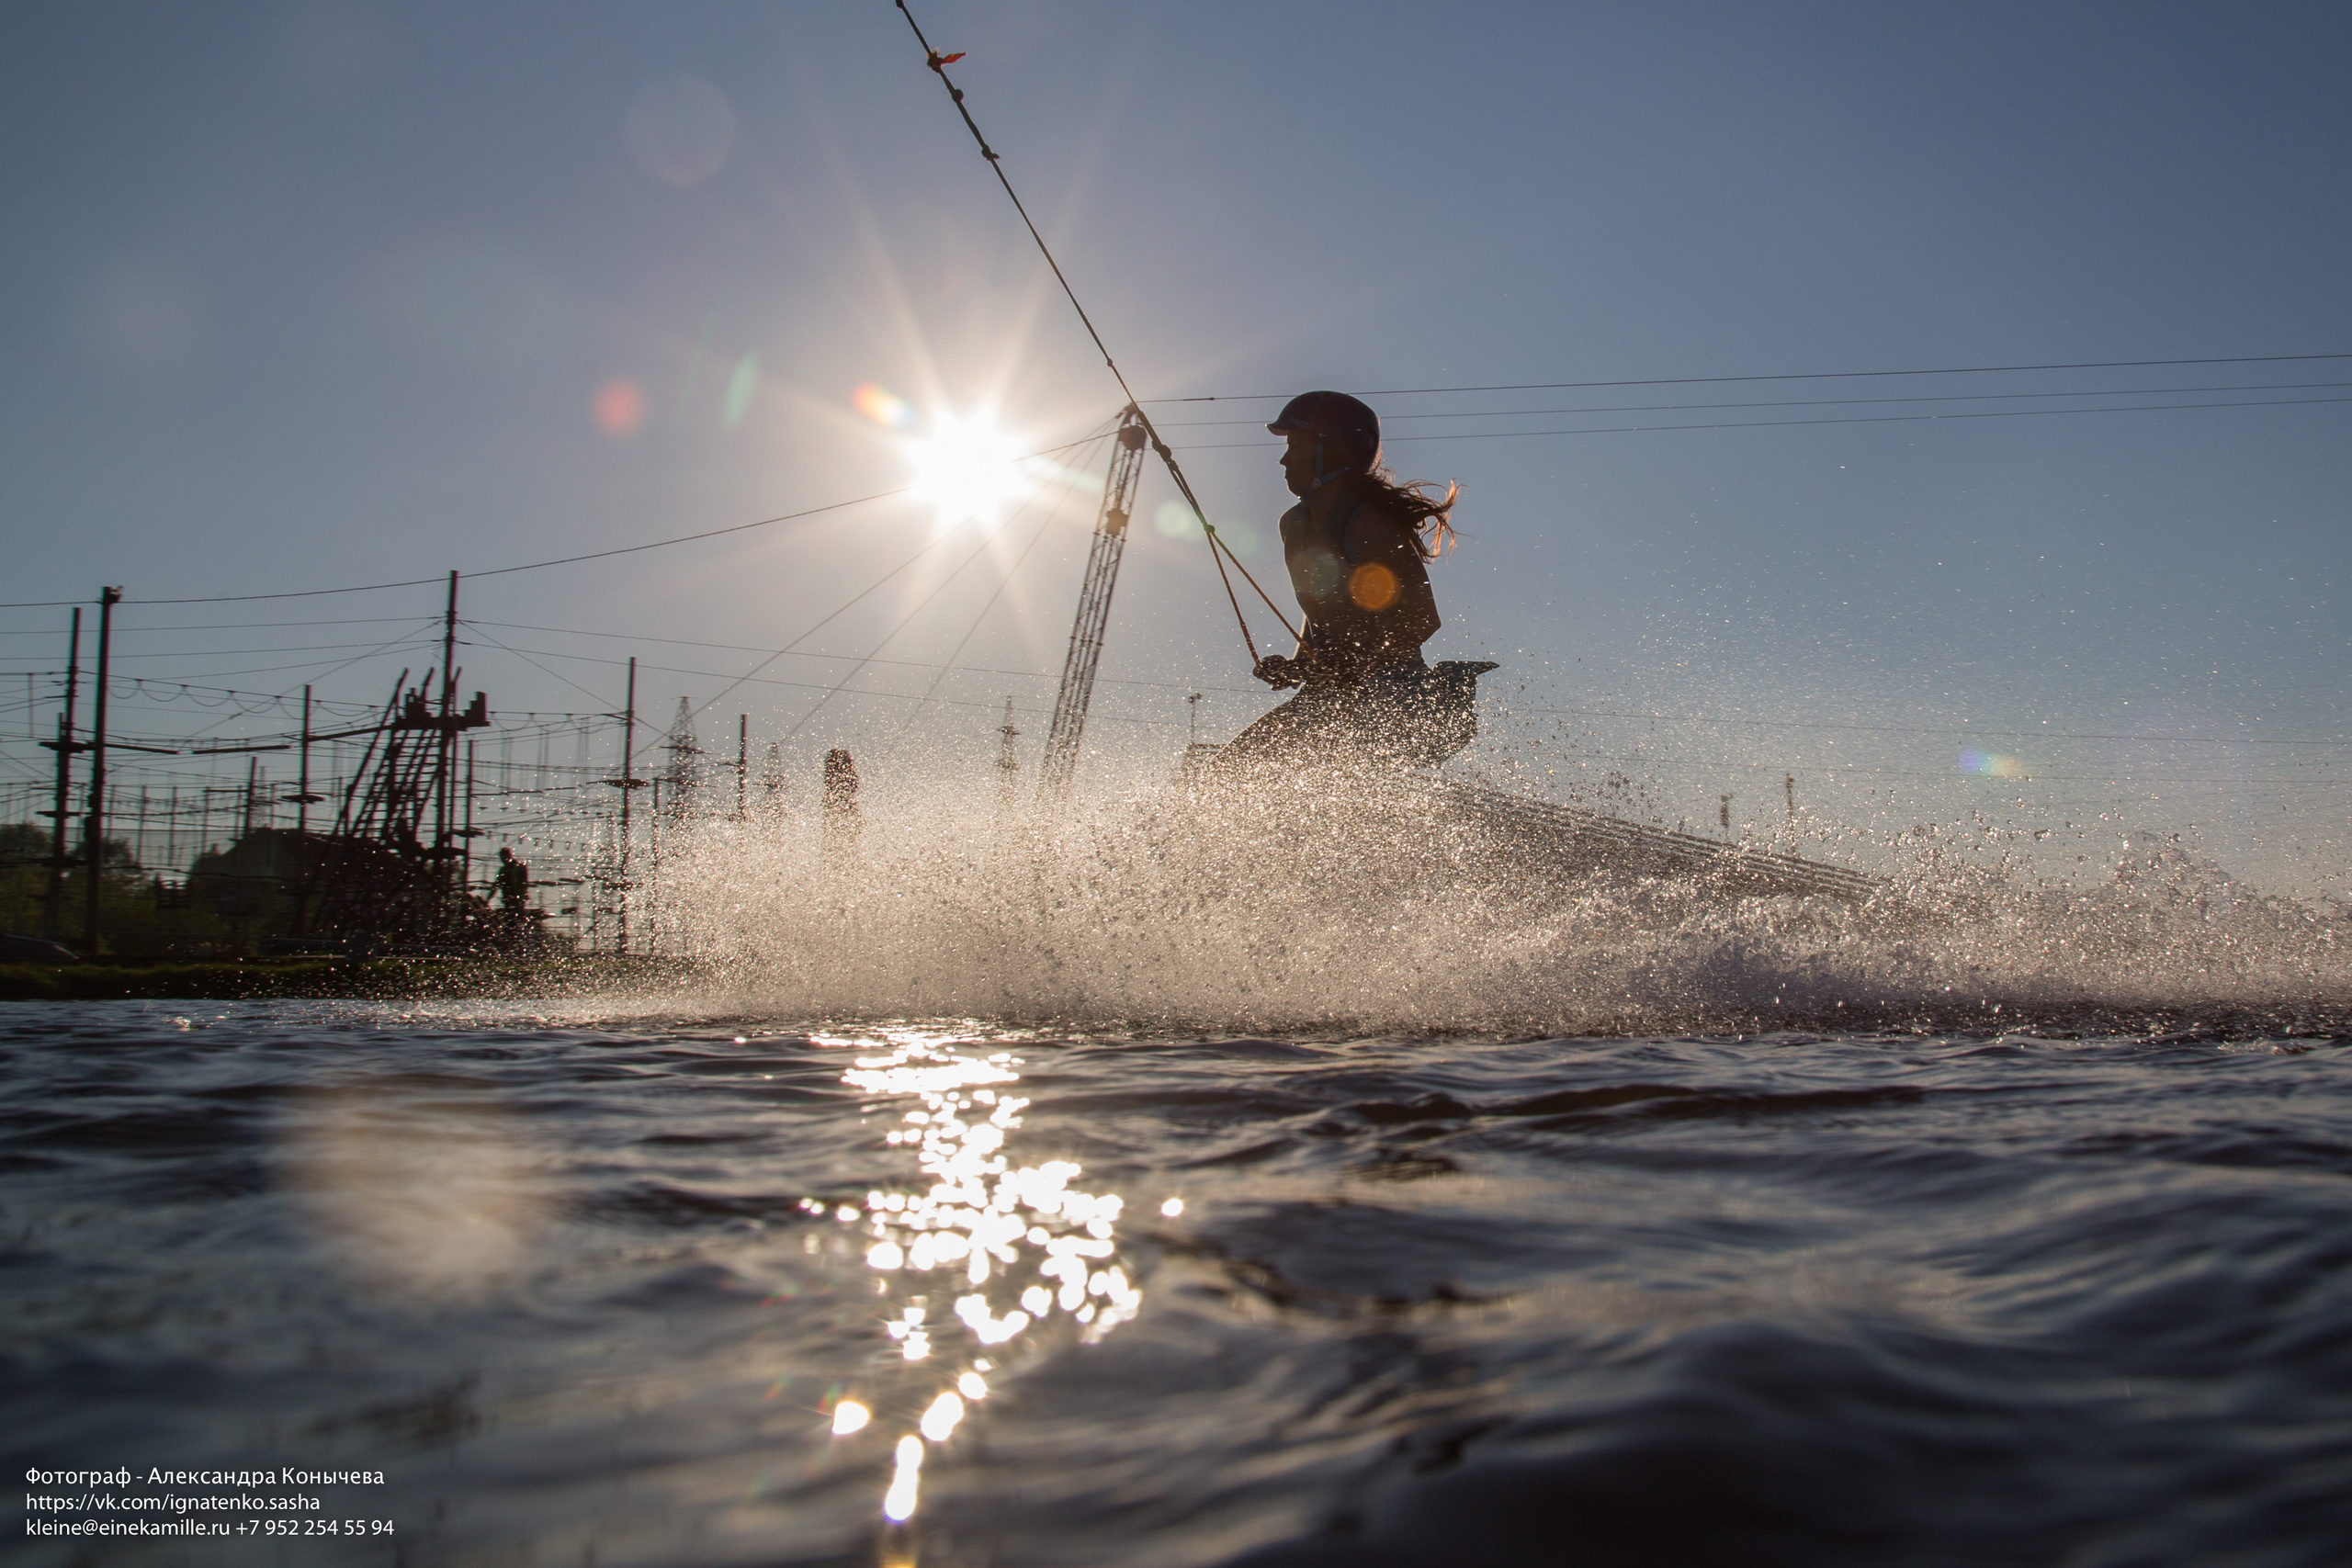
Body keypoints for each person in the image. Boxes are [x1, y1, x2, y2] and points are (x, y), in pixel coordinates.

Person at [1218, 390, 1493, 769]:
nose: (1283, 459)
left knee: (1295, 777)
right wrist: (1299, 664)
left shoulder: (1367, 525)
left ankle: (1444, 696)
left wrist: (1351, 667)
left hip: (1392, 697)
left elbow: (1420, 620)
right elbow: (1320, 611)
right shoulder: (1293, 526)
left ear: (1330, 453)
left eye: (1295, 446)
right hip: (1330, 696)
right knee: (1224, 772)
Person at [494, 845, 530, 912]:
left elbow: (524, 884)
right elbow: (496, 885)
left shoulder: (519, 867)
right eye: (501, 857)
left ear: (509, 856)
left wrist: (521, 899)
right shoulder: (503, 870)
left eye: (504, 857)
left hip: (517, 900)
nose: (502, 859)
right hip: (508, 899)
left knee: (515, 916)